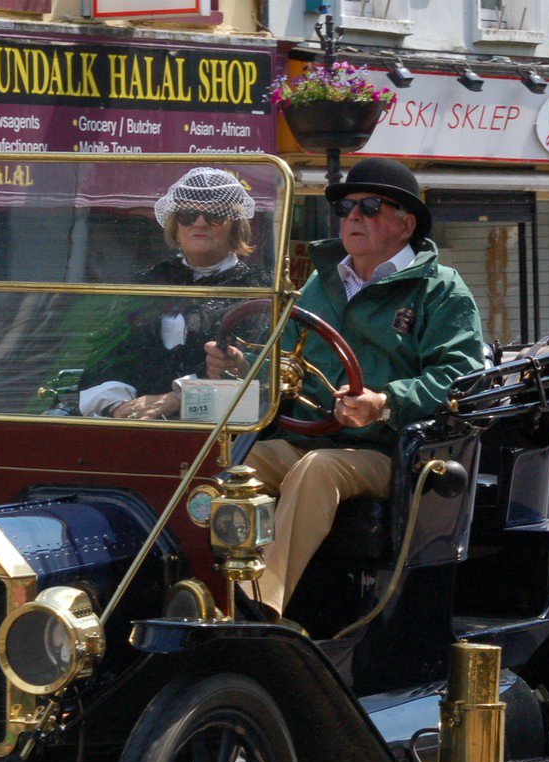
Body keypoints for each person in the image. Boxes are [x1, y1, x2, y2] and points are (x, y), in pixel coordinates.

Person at [206, 158, 484, 620]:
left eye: (370, 207)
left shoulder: (440, 290)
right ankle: (195, 591)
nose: (353, 217)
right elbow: (289, 360)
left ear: (405, 224)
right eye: (346, 208)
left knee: (317, 471)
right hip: (309, 436)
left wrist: (384, 403)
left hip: (393, 452)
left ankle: (258, 609)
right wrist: (241, 365)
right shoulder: (321, 281)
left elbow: (458, 378)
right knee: (234, 463)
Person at [77, 167, 272, 420]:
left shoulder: (259, 288)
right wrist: (118, 407)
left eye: (214, 215)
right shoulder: (149, 281)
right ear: (176, 225)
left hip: (219, 427)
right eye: (188, 214)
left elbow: (260, 375)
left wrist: (176, 399)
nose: (199, 222)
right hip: (136, 419)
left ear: (234, 225)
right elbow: (111, 354)